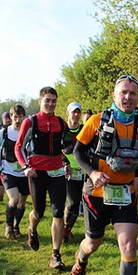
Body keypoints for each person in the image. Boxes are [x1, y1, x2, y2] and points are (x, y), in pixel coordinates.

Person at [70, 74, 138, 275]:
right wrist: (93, 172)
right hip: (96, 193)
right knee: (92, 243)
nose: (128, 97)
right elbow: (78, 151)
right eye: (123, 92)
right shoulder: (96, 121)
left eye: (132, 93)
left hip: (125, 193)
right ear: (114, 95)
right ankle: (81, 259)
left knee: (128, 243)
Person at [15, 87, 68, 270]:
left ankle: (55, 255)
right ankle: (32, 229)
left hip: (57, 173)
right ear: (40, 101)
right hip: (37, 172)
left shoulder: (60, 122)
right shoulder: (31, 122)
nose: (51, 103)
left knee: (58, 212)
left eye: (54, 100)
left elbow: (67, 146)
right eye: (47, 100)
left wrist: (67, 162)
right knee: (38, 212)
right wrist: (25, 167)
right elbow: (18, 147)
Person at [0, 104, 29, 239]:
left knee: (22, 202)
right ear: (11, 117)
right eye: (15, 117)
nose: (18, 120)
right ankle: (8, 227)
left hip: (24, 172)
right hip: (8, 170)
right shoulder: (3, 132)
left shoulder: (27, 132)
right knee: (14, 199)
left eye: (20, 117)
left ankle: (16, 225)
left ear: (24, 117)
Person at [62, 101, 84, 242]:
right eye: (73, 112)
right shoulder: (62, 130)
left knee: (77, 203)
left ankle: (66, 229)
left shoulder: (84, 129)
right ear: (68, 113)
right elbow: (57, 150)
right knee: (72, 202)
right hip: (67, 170)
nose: (76, 115)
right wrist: (64, 163)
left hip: (83, 170)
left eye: (78, 112)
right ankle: (65, 230)